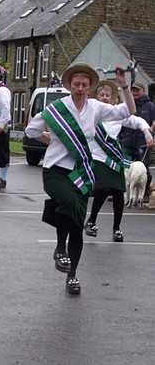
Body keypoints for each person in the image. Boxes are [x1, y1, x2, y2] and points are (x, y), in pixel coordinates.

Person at [25, 63, 136, 296]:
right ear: (69, 85)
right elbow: (31, 131)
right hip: (55, 171)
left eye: (84, 85)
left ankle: (72, 274)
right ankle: (58, 248)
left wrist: (124, 85)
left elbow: (128, 111)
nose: (80, 88)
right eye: (76, 84)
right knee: (68, 203)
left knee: (77, 225)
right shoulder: (57, 108)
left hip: (82, 172)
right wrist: (53, 142)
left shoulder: (96, 108)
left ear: (90, 88)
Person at [84, 79, 154, 242]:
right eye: (101, 94)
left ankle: (116, 228)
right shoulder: (91, 111)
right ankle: (91, 221)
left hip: (114, 157)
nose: (105, 97)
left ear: (115, 98)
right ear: (97, 97)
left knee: (118, 192)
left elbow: (137, 121)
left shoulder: (117, 114)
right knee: (103, 188)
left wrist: (147, 132)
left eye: (108, 95)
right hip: (97, 157)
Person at [118, 81, 155, 201]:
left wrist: (151, 134)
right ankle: (123, 192)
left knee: (143, 169)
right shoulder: (127, 105)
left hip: (143, 144)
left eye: (137, 90)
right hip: (127, 142)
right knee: (126, 169)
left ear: (143, 91)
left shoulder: (150, 107)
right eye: (133, 90)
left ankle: (144, 192)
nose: (134, 92)